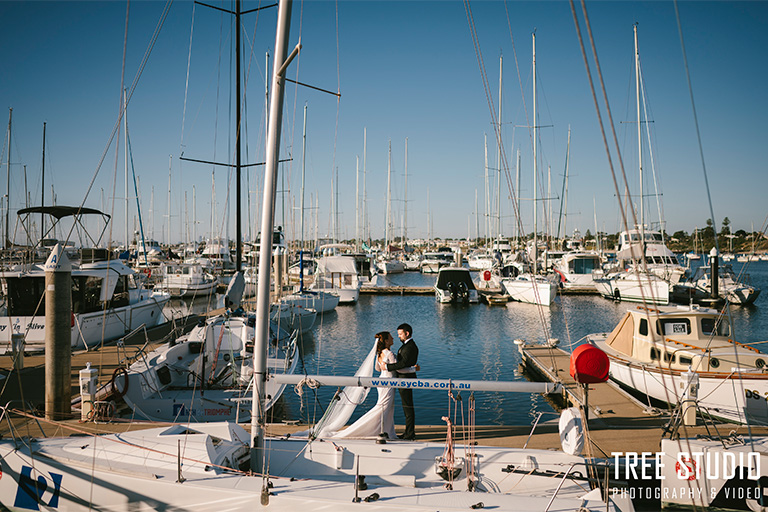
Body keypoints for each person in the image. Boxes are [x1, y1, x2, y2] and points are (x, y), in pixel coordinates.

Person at [336, 331, 398, 440]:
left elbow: (377, 368)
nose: (393, 338)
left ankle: (387, 430)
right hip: (389, 382)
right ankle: (373, 429)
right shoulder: (390, 354)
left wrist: (384, 367)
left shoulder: (380, 354)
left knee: (384, 407)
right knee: (384, 408)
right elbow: (397, 368)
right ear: (387, 341)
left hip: (381, 381)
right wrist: (413, 368)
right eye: (391, 337)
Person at [386, 322, 418, 440]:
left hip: (406, 380)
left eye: (400, 334)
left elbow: (403, 364)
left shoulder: (410, 346)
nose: (399, 336)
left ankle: (410, 434)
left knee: (408, 407)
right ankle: (408, 432)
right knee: (406, 407)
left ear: (407, 333)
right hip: (404, 379)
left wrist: (388, 367)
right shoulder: (407, 345)